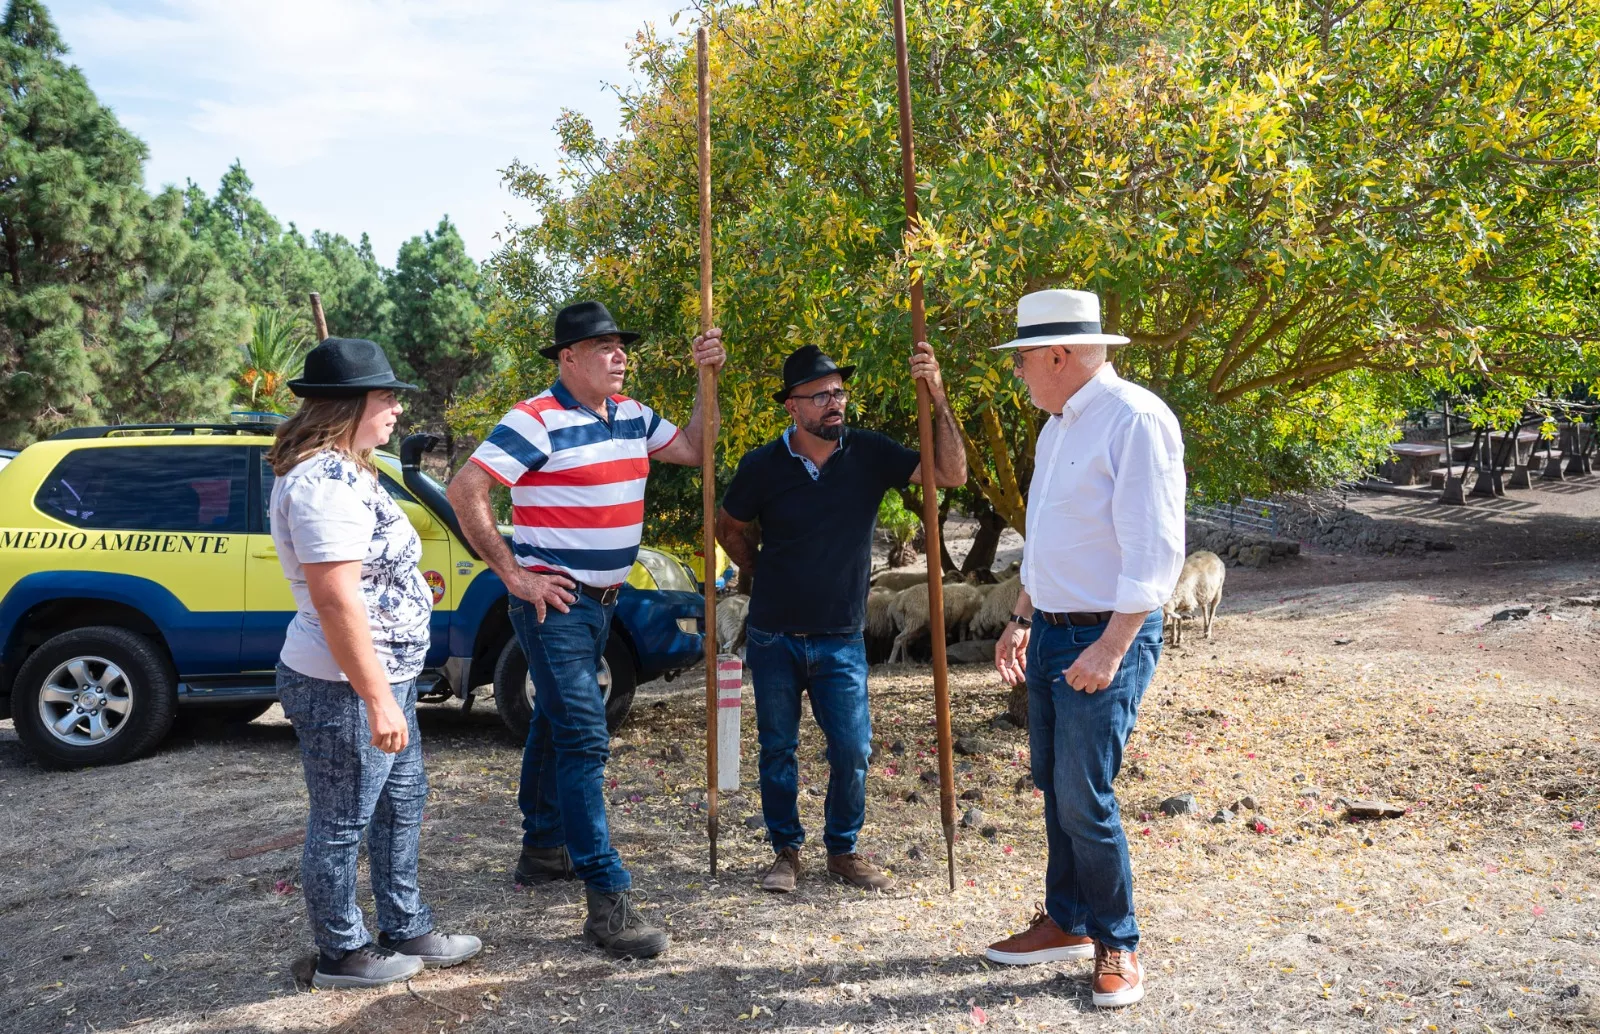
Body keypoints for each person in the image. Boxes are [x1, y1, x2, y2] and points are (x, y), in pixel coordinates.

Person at [446, 301, 724, 959]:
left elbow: (695, 448)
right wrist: (515, 575)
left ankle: (544, 848)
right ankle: (607, 898)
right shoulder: (535, 419)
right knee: (582, 735)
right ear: (566, 358)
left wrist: (705, 379)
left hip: (603, 605)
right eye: (603, 347)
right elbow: (466, 490)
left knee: (553, 725)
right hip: (554, 609)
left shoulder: (631, 415)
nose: (619, 355)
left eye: (621, 345)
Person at [980, 290, 1185, 1008]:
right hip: (1054, 628)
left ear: (1059, 356)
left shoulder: (1135, 419)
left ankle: (1118, 941)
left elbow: (1155, 552)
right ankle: (1066, 919)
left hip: (1108, 632)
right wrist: (1022, 616)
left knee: (1083, 793)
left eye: (1024, 360)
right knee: (1052, 783)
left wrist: (1112, 647)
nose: (1020, 375)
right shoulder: (1057, 427)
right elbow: (1049, 538)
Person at [267, 337, 481, 990]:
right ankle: (342, 951)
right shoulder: (320, 482)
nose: (396, 410)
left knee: (400, 804)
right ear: (349, 405)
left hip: (384, 676)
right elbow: (337, 602)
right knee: (342, 821)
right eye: (387, 397)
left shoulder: (353, 466)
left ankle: (406, 924)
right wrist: (376, 698)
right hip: (344, 685)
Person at [715, 342, 965, 894]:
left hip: (841, 637)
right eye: (820, 395)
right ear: (793, 407)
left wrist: (938, 393)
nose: (835, 402)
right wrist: (758, 570)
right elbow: (727, 525)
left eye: (839, 391)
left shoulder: (870, 453)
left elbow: (950, 473)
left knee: (853, 749)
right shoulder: (761, 466)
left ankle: (843, 850)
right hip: (774, 634)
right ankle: (785, 852)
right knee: (777, 748)